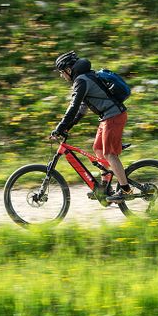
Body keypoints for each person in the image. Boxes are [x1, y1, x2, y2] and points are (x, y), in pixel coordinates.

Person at [51, 51, 132, 202]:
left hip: (113, 116)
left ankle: (126, 190)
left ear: (68, 70)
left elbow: (73, 106)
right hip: (108, 117)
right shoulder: (85, 78)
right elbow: (81, 109)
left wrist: (60, 127)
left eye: (62, 72)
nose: (62, 76)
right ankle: (105, 186)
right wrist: (68, 127)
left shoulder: (81, 81)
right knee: (98, 148)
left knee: (109, 154)